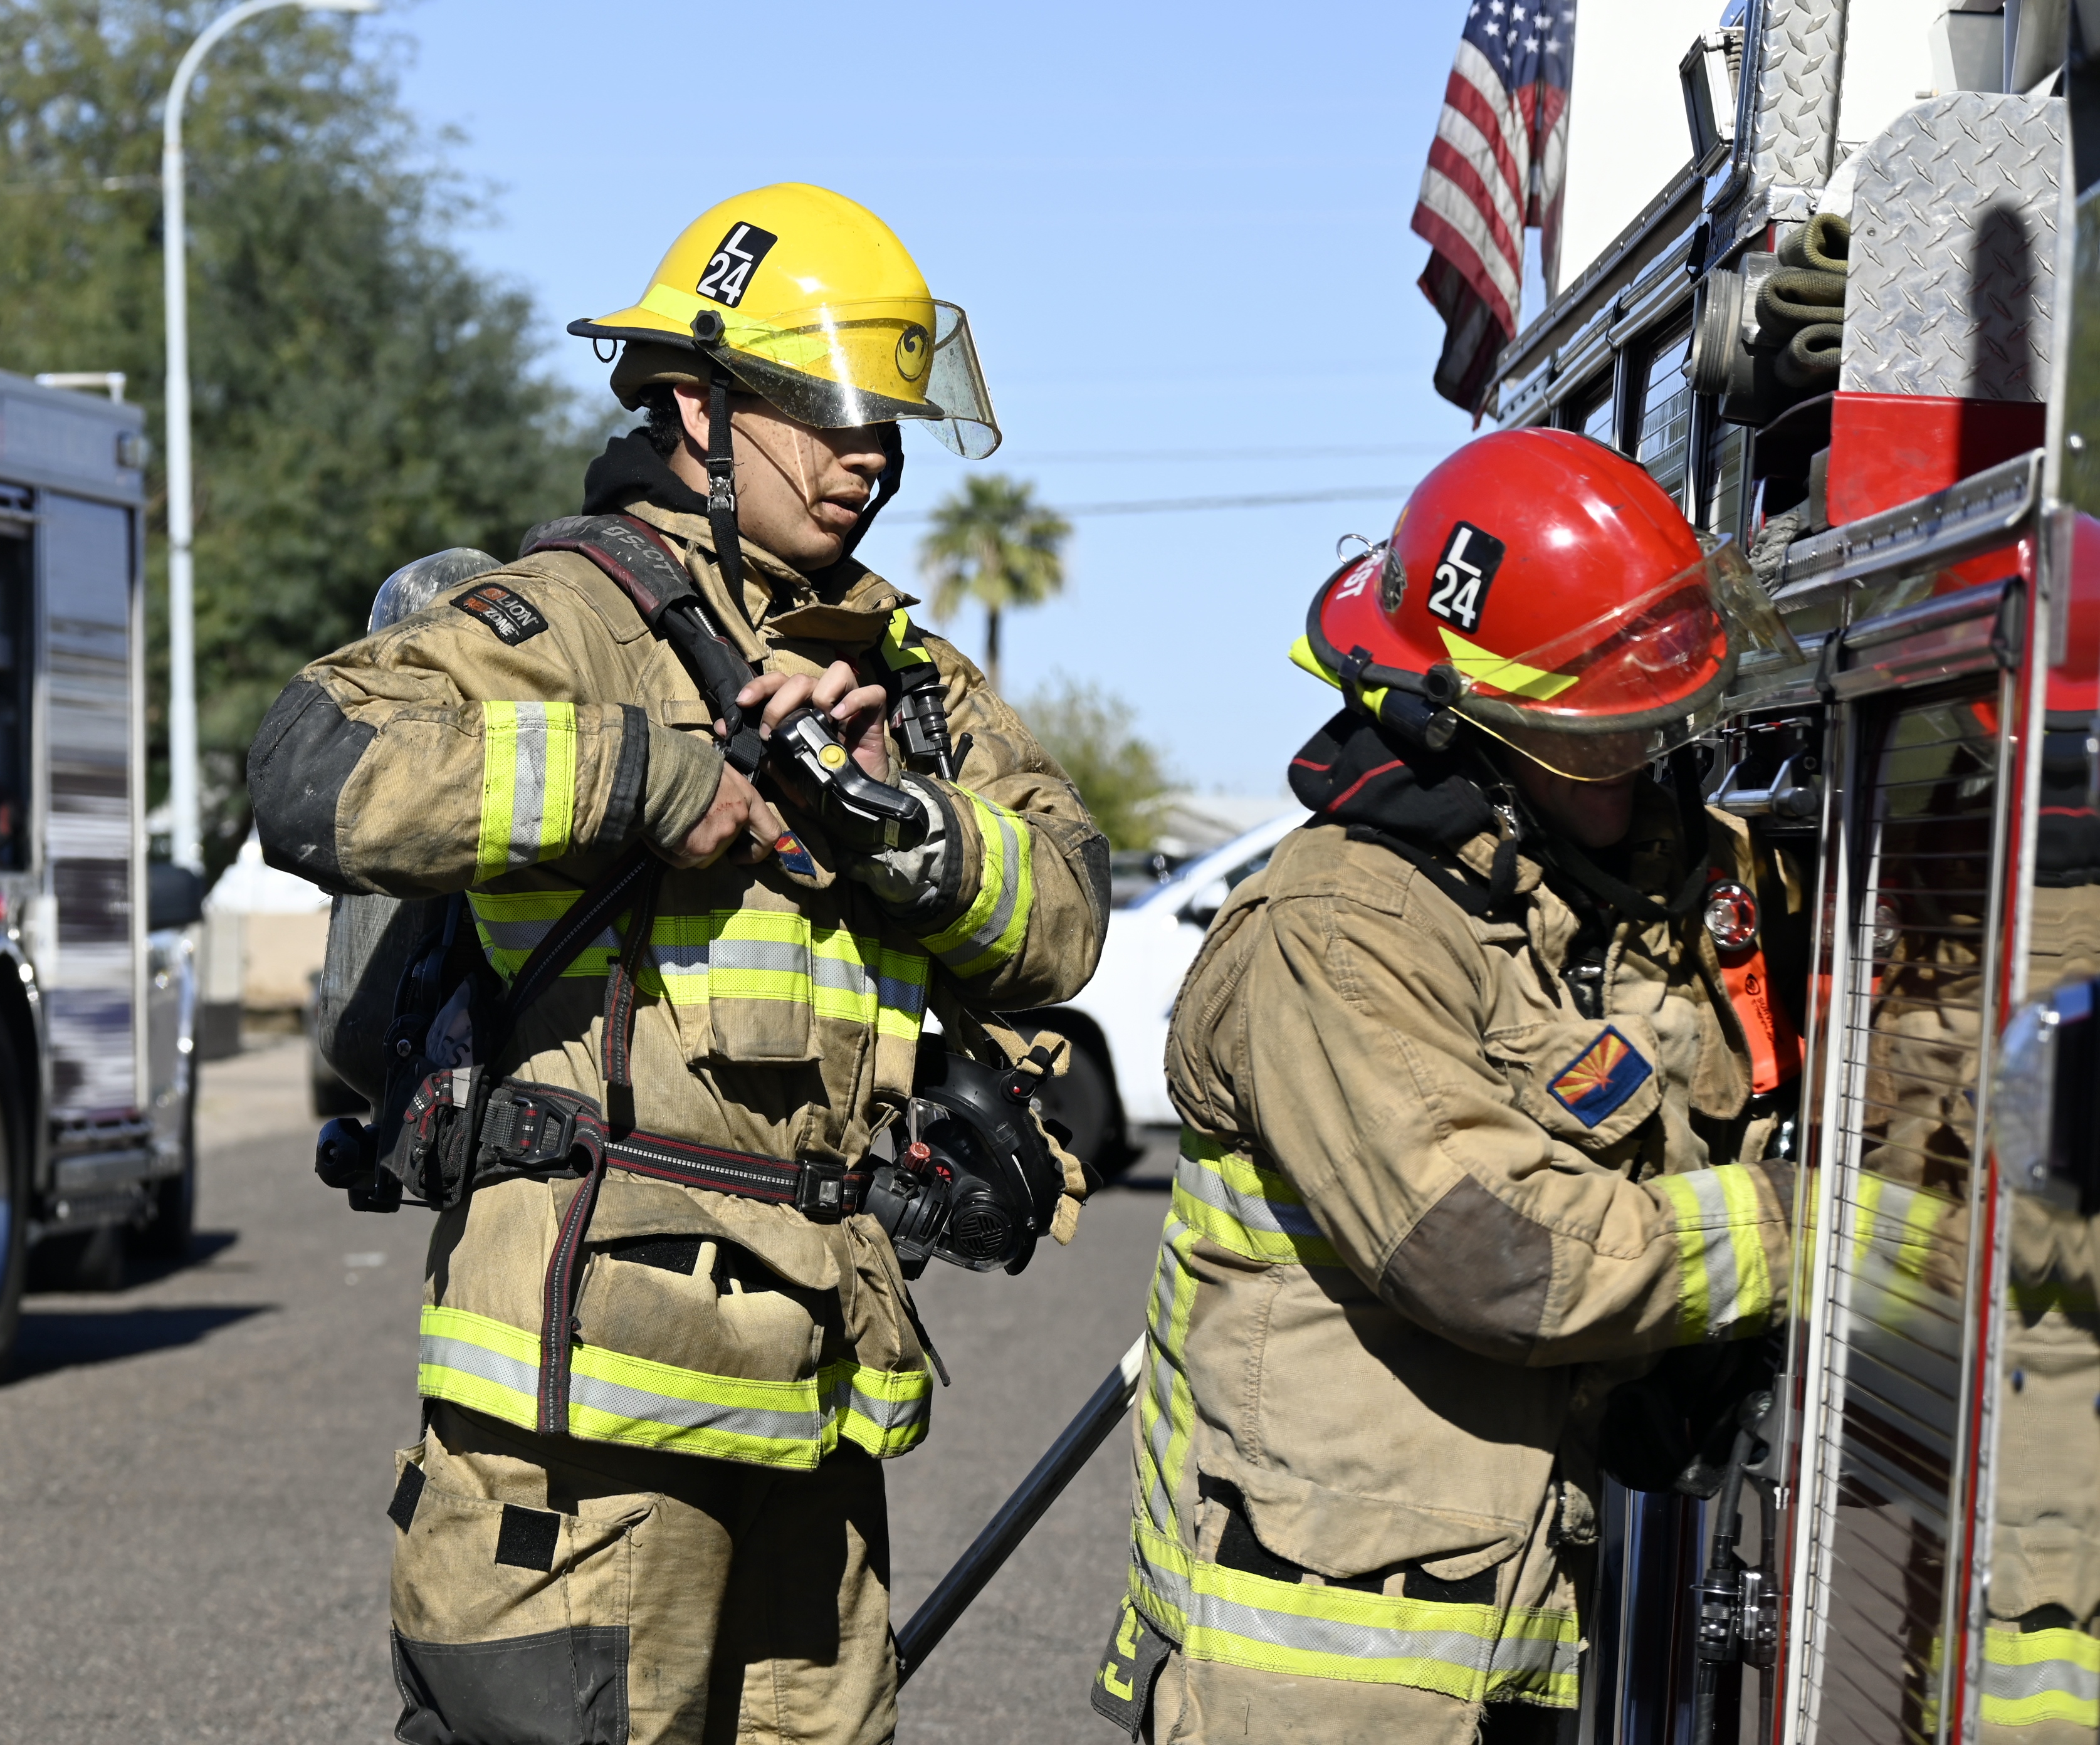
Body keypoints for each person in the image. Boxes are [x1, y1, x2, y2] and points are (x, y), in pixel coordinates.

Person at [248, 182, 1109, 1745]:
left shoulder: (908, 680)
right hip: (578, 1441)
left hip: (817, 1437)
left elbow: (1066, 915)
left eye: (886, 421)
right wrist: (642, 776)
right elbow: (315, 768)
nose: (870, 454)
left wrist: (906, 822)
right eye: (826, 413)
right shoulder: (571, 620)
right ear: (697, 406)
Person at [1089, 429, 1802, 1745]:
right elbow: (1494, 1256)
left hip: (1492, 1644)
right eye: (1606, 737)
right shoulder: (1340, 930)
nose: (1650, 764)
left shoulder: (1555, 902)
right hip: (1315, 1684)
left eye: (1662, 724)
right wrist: (1806, 1233)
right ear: (1469, 731)